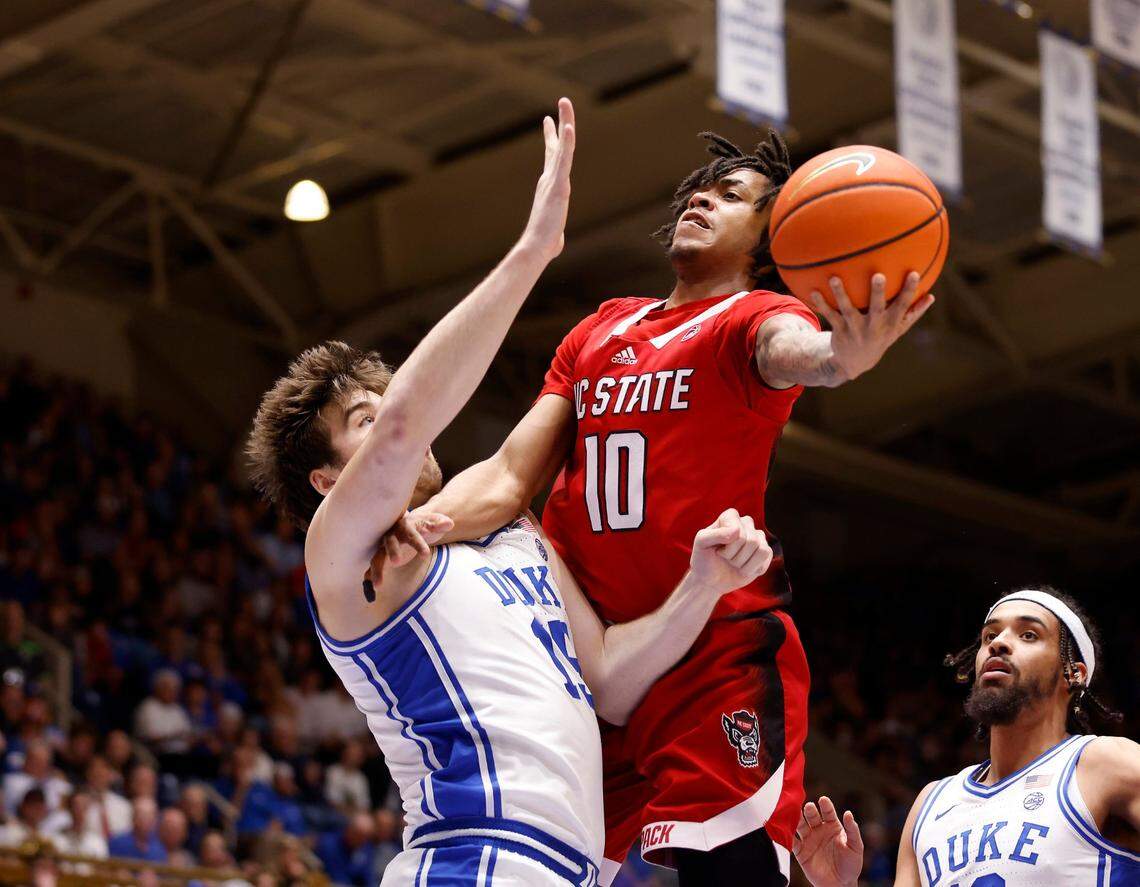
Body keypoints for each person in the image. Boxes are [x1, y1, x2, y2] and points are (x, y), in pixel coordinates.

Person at [380, 129, 935, 885]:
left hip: (711, 657)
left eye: (733, 196)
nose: (703, 197)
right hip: (589, 664)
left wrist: (842, 357)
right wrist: (419, 523)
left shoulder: (751, 319)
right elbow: (511, 476)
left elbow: (795, 350)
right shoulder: (600, 329)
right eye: (700, 190)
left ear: (773, 239)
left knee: (727, 874)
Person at [246, 98, 774, 886]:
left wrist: (702, 587)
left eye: (386, 398)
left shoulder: (518, 532)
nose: (395, 418)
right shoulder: (347, 557)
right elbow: (402, 433)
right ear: (327, 480)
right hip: (468, 858)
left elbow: (610, 679)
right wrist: (533, 251)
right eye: (365, 416)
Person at [795, 587, 1140, 886]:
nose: (1000, 643)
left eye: (1028, 635)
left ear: (1074, 674)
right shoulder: (932, 802)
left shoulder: (1105, 764)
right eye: (990, 636)